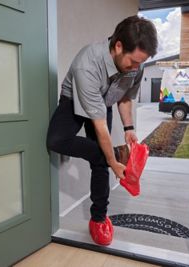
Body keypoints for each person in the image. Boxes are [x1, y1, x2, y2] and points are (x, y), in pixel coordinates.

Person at [46, 15, 157, 245]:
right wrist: (112, 159)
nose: (136, 68)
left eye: (140, 63)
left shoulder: (137, 64)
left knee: (100, 162)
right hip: (74, 100)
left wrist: (129, 128)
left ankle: (98, 219)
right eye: (133, 62)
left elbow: (125, 96)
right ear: (118, 46)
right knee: (57, 141)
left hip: (103, 103)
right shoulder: (87, 64)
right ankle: (114, 155)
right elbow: (98, 124)